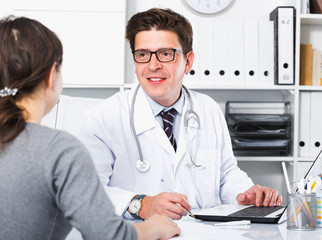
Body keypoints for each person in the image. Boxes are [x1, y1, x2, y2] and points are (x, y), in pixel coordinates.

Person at [79, 8, 283, 221]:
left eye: (166, 54)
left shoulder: (208, 109)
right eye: (142, 55)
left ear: (188, 61)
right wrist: (140, 204)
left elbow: (226, 175)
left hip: (203, 233)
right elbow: (86, 190)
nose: (153, 65)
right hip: (138, 234)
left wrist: (245, 194)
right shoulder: (103, 117)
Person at [0, 16, 180, 240]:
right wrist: (154, 227)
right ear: (50, 77)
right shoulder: (59, 150)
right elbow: (108, 234)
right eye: (143, 55)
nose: (153, 64)